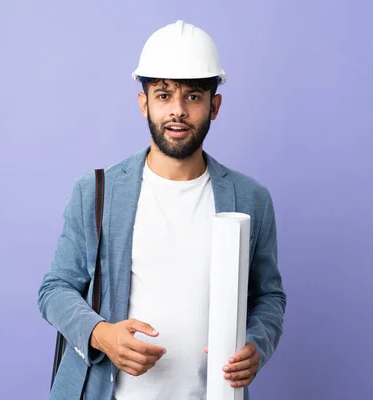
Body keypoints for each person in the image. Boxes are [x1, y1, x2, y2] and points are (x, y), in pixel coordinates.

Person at [38, 20, 286, 400]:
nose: (178, 111)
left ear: (214, 105)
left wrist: (257, 344)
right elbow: (54, 289)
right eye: (164, 94)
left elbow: (269, 297)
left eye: (193, 96)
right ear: (144, 103)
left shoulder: (251, 198)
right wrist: (102, 335)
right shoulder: (96, 192)